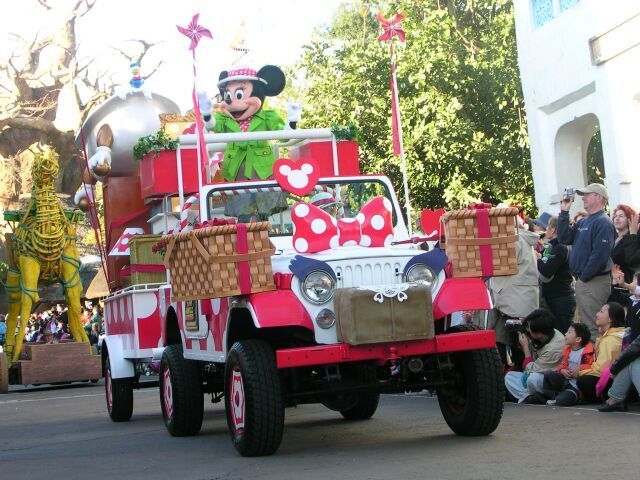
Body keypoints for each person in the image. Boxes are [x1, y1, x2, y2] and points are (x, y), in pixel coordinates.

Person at [557, 183, 616, 339]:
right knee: (587, 324)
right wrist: (564, 212)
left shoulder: (603, 222)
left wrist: (583, 278)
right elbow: (564, 237)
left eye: (587, 194)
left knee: (593, 326)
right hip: (586, 280)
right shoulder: (584, 221)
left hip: (593, 281)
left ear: (599, 197)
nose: (583, 198)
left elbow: (599, 255)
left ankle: (598, 362)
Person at [489, 216, 540, 367]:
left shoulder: (512, 240)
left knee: (520, 344)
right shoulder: (520, 238)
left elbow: (500, 266)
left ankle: (520, 377)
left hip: (515, 300)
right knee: (507, 340)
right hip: (515, 298)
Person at [504, 309, 565, 403]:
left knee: (533, 379)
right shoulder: (547, 332)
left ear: (539, 333)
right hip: (538, 371)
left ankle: (534, 397)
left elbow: (531, 369)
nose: (527, 329)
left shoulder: (554, 348)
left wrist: (526, 348)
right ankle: (529, 397)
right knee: (510, 376)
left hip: (550, 380)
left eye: (528, 327)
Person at [576, 302, 625, 403]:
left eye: (601, 312)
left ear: (610, 319)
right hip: (618, 378)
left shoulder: (611, 339)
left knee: (584, 380)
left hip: (615, 380)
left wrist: (580, 372)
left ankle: (598, 398)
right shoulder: (615, 334)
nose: (597, 314)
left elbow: (601, 369)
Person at [537, 216, 575, 333]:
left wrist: (537, 258)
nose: (546, 229)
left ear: (553, 230)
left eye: (548, 226)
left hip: (561, 298)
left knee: (562, 332)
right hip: (553, 298)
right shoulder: (552, 246)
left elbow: (547, 270)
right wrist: (542, 251)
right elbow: (546, 259)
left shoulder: (560, 247)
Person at [542, 323, 594, 406]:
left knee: (561, 400)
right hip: (566, 381)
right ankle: (550, 395)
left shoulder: (589, 352)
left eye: (569, 332)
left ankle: (564, 397)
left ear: (578, 339)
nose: (565, 334)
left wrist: (579, 370)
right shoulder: (567, 350)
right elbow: (562, 365)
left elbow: (593, 367)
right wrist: (562, 370)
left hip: (576, 386)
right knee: (549, 374)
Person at [610, 206, 640, 307]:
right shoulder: (613, 238)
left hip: (625, 283)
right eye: (615, 216)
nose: (617, 218)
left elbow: (630, 259)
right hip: (611, 283)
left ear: (629, 219)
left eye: (621, 216)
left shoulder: (633, 238)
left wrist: (633, 235)